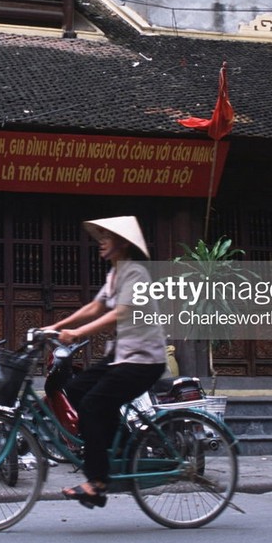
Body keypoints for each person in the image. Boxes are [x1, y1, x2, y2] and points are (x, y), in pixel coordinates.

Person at [52, 216, 167, 508]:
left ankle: (97, 481)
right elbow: (95, 307)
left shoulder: (136, 273)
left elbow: (120, 313)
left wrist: (76, 333)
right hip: (122, 355)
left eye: (107, 236)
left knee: (92, 405)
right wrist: (54, 327)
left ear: (123, 243)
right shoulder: (114, 275)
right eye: (100, 236)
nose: (101, 241)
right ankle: (121, 448)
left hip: (144, 358)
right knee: (76, 390)